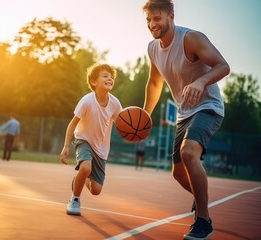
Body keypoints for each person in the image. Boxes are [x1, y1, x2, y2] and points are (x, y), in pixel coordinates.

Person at [142, 1, 230, 239]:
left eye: (157, 19)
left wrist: (201, 81)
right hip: (184, 113)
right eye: (149, 20)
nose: (152, 24)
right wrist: (145, 115)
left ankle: (203, 220)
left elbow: (223, 66)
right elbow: (154, 82)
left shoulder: (191, 39)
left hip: (208, 106)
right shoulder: (152, 48)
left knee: (189, 152)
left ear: (171, 16)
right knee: (179, 174)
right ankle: (200, 198)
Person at [60, 63, 122, 216]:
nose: (110, 79)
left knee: (96, 190)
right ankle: (74, 200)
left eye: (111, 77)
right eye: (105, 76)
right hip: (83, 140)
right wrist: (66, 146)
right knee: (86, 167)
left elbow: (122, 124)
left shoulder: (115, 103)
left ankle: (79, 179)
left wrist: (134, 130)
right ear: (94, 82)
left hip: (101, 148)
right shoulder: (87, 100)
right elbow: (73, 123)